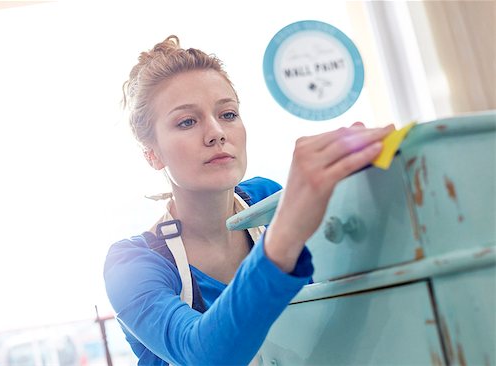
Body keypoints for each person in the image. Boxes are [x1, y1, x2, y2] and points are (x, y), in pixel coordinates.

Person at [103, 35, 394, 366]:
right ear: (153, 154)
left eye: (227, 114)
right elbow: (202, 354)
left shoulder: (267, 201)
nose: (216, 133)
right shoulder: (132, 265)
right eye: (187, 121)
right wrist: (285, 234)